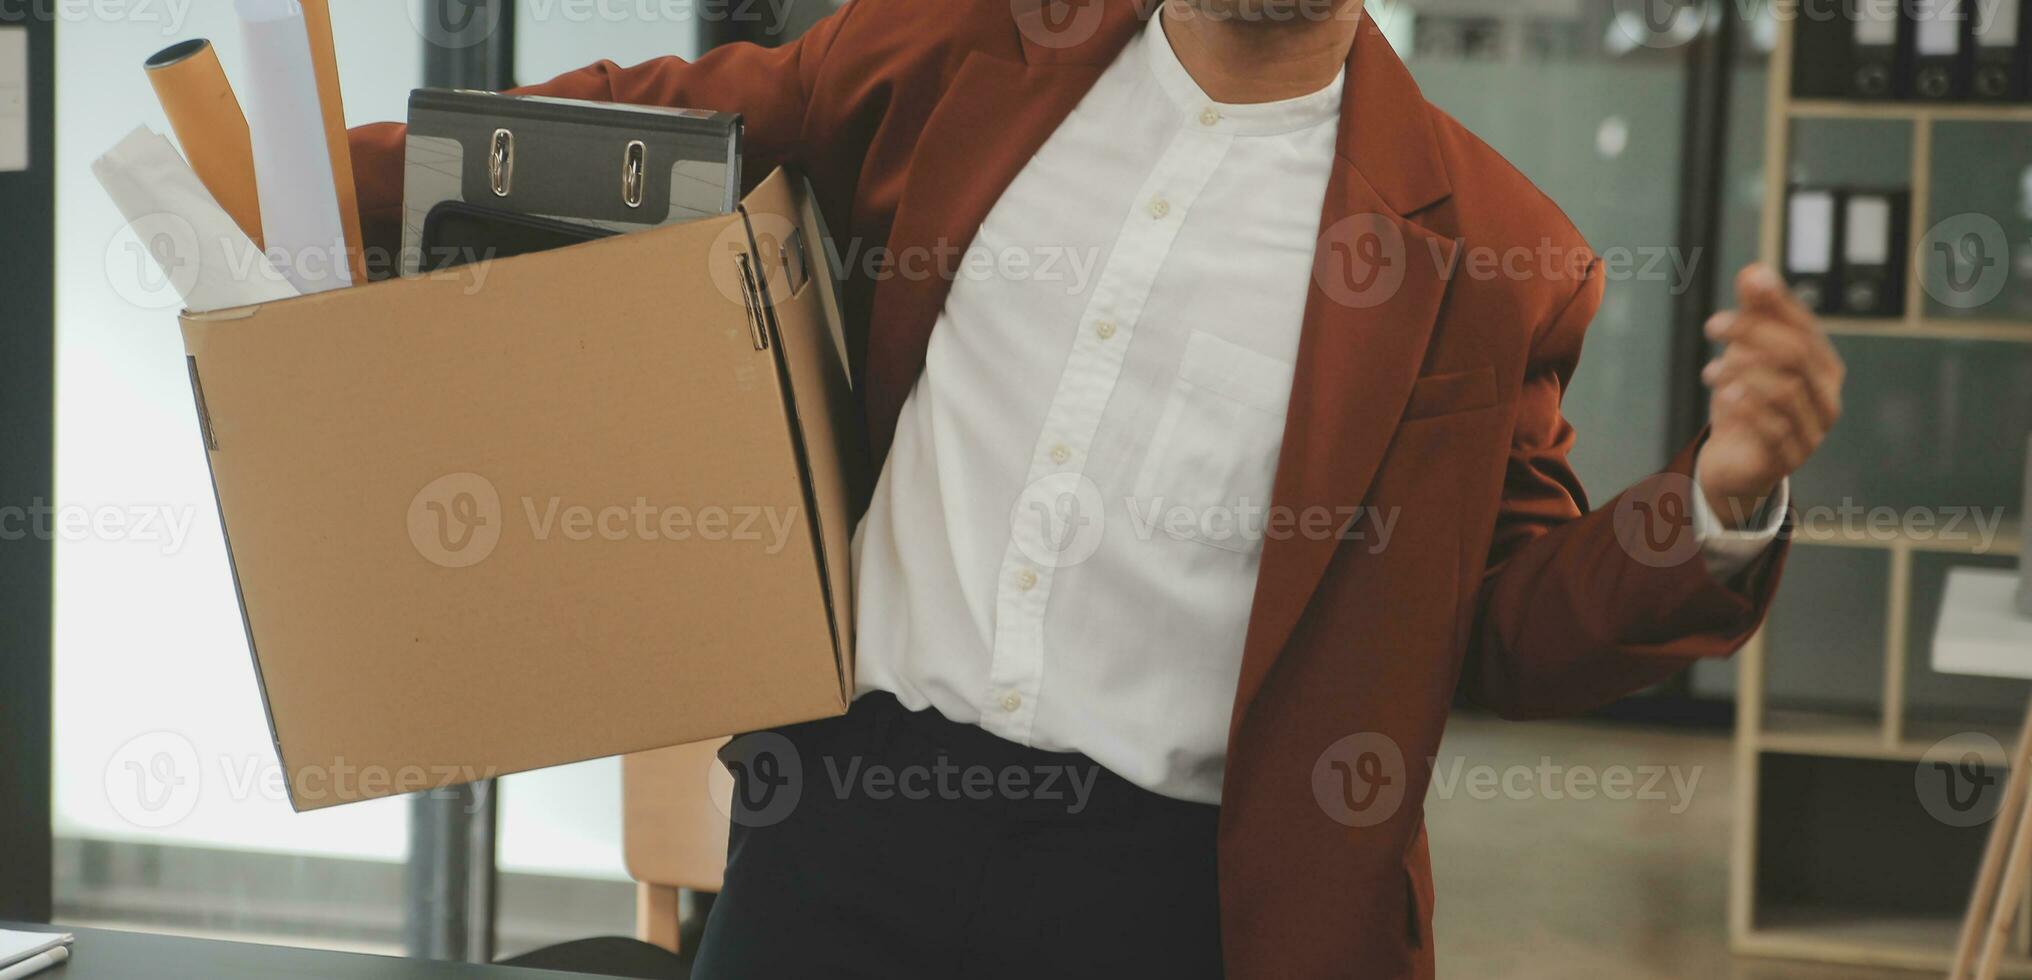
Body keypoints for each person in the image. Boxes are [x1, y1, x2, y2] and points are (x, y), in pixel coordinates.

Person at [351, 0, 1842, 975]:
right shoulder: (955, 54)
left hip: (1170, 900)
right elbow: (647, 128)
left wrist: (1717, 500)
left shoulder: (1493, 251)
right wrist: (300, 190)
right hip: (843, 827)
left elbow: (1514, 619)